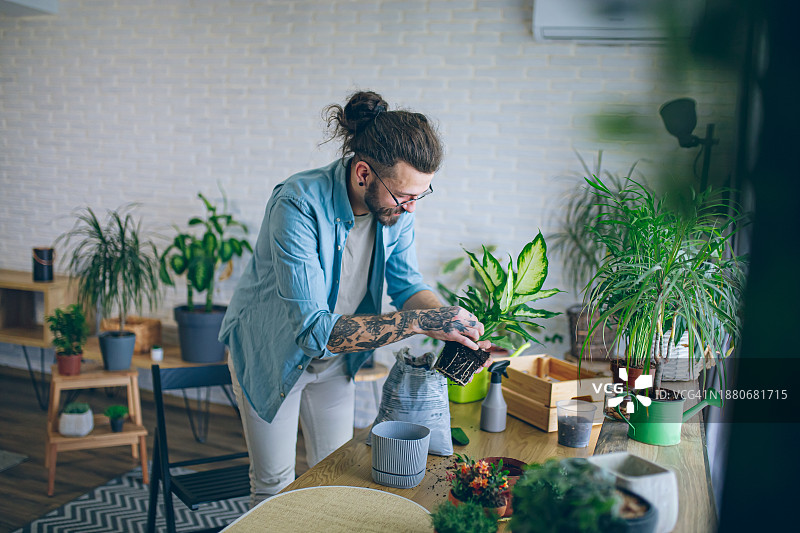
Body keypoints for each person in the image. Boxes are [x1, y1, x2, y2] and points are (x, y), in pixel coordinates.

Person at [219, 90, 492, 506]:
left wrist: (447, 318)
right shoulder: (296, 204)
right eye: (405, 196)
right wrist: (418, 324)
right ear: (363, 174)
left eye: (421, 196)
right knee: (274, 486)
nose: (412, 208)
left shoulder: (396, 211)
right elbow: (315, 331)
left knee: (331, 479)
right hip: (269, 353)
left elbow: (406, 286)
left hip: (333, 362)